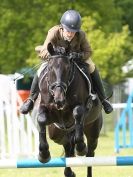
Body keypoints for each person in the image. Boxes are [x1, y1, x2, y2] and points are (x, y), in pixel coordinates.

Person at [20, 10, 113, 114]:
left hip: (76, 57)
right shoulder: (53, 32)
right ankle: (31, 100)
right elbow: (43, 51)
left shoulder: (81, 35)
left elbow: (88, 52)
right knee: (41, 68)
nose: (70, 34)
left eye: (73, 31)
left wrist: (79, 55)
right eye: (68, 30)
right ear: (62, 27)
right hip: (56, 58)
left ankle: (104, 100)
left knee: (92, 66)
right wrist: (54, 54)